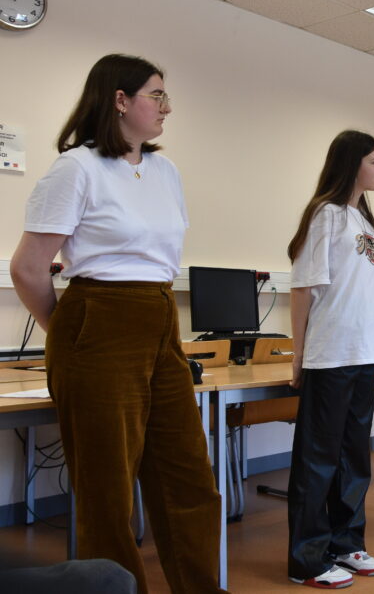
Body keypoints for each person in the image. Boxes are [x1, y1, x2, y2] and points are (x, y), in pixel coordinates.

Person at [9, 54, 225, 593]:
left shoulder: (165, 170)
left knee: (189, 478)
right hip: (97, 320)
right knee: (107, 492)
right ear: (120, 100)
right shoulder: (76, 167)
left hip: (158, 318)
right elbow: (28, 268)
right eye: (156, 95)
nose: (167, 107)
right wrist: (68, 332)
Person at [286, 130, 374, 589]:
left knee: (353, 456)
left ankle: (345, 543)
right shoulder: (325, 215)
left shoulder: (363, 218)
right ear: (351, 164)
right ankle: (305, 560)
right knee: (318, 460)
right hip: (330, 356)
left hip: (365, 353)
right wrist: (299, 356)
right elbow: (303, 288)